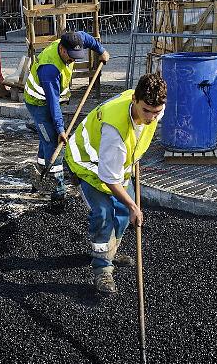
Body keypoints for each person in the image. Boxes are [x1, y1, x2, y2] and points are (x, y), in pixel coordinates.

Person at [65, 73, 167, 295]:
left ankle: (109, 250)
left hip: (116, 166)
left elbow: (141, 132)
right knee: (103, 214)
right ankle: (102, 267)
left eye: (156, 112)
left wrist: (128, 206)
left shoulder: (154, 106)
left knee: (121, 213)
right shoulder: (114, 132)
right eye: (146, 111)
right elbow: (109, 179)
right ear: (134, 101)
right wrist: (133, 205)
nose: (151, 118)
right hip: (88, 165)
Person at [24, 31, 110, 202]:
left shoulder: (73, 40)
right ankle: (58, 192)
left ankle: (40, 176)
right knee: (53, 142)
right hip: (38, 103)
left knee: (46, 139)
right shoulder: (49, 69)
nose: (73, 60)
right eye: (71, 56)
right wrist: (61, 129)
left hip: (51, 100)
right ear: (62, 49)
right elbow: (53, 103)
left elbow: (87, 38)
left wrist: (101, 51)